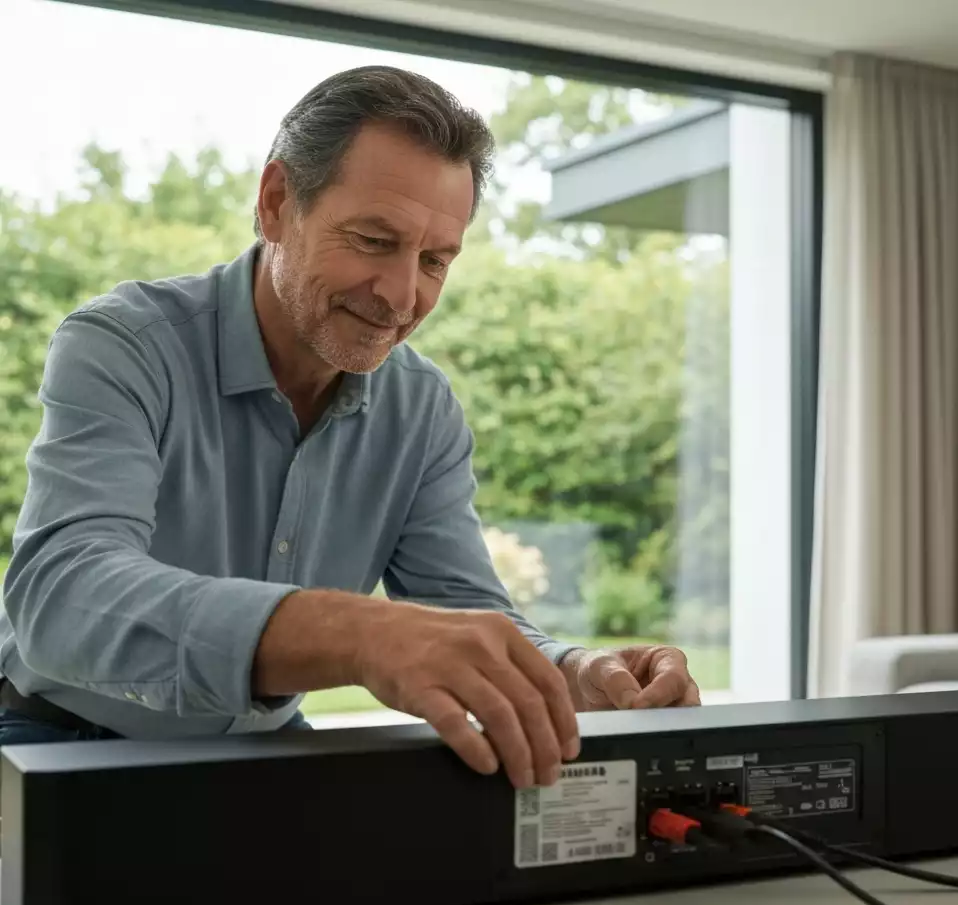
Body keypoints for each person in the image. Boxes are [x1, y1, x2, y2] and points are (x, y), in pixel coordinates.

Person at [0, 66, 699, 788]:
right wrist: (356, 635)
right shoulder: (124, 345)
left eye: (435, 261)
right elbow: (60, 595)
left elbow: (461, 612)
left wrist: (569, 673)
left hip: (265, 748)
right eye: (372, 240)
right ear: (276, 205)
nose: (402, 296)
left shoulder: (421, 407)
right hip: (56, 742)